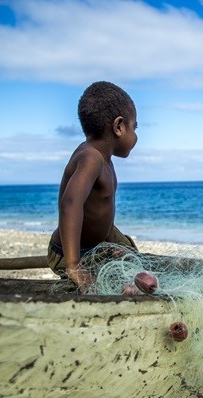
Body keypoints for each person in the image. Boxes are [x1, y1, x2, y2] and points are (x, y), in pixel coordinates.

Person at [48, 81, 139, 291]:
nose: (135, 136)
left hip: (100, 241)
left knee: (132, 255)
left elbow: (101, 209)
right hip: (76, 250)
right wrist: (73, 265)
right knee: (107, 288)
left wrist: (112, 243)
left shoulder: (105, 159)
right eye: (134, 127)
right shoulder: (91, 158)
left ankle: (113, 246)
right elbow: (70, 203)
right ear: (119, 127)